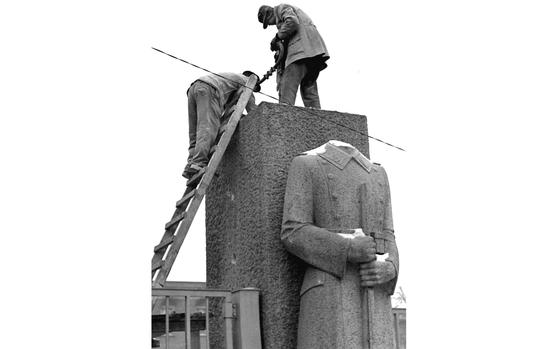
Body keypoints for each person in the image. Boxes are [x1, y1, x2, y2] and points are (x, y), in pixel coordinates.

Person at [281, 141, 399, 349]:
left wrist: (390, 267)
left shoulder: (378, 173)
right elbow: (293, 231)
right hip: (329, 292)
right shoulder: (307, 164)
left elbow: (388, 234)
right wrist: (347, 248)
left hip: (375, 292)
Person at [183, 71, 260, 179]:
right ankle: (198, 163)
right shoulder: (247, 81)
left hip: (194, 89)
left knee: (195, 132)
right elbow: (252, 109)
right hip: (210, 90)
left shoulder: (230, 79)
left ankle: (191, 164)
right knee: (207, 128)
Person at [258, 4, 329, 108]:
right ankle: (317, 120)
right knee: (309, 90)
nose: (270, 25)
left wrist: (278, 37)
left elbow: (292, 21)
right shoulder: (286, 17)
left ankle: (283, 115)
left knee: (288, 85)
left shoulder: (281, 8)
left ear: (268, 15)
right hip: (313, 53)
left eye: (268, 23)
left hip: (301, 52)